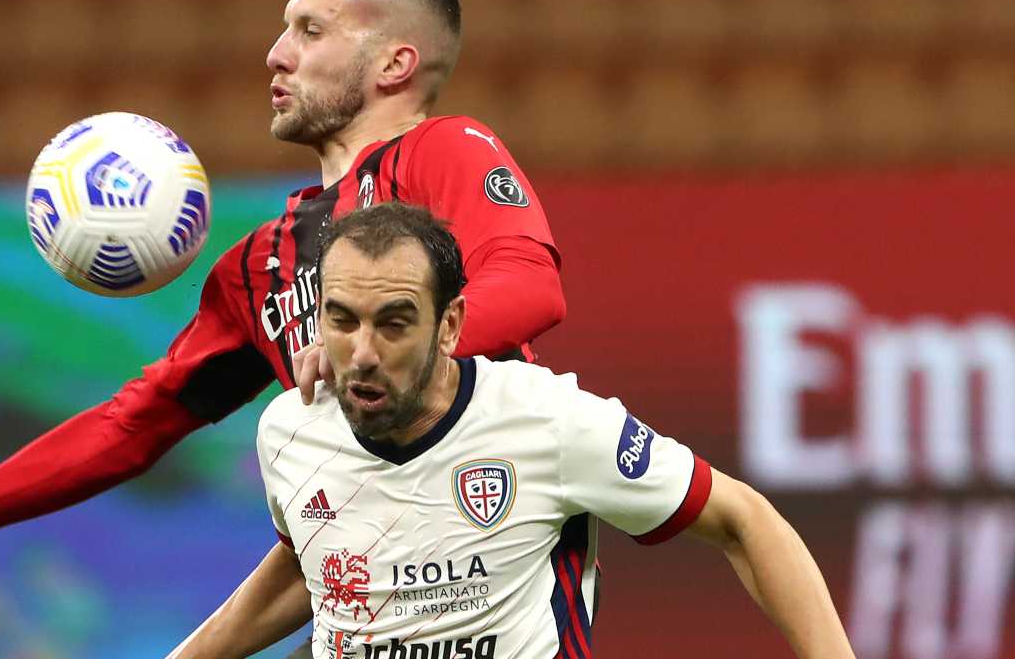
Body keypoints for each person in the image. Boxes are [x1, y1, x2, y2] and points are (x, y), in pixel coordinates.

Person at [0, 0, 566, 602]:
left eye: (310, 29)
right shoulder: (262, 264)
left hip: (493, 588)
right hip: (371, 604)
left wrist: (379, 353)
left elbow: (533, 288)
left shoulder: (443, 152)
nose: (277, 53)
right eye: (282, 30)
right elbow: (132, 426)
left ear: (395, 62)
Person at [169, 203, 856, 659]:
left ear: (452, 325)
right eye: (343, 320)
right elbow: (315, 563)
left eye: (395, 322)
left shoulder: (548, 422)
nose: (365, 351)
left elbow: (742, 518)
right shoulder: (290, 432)